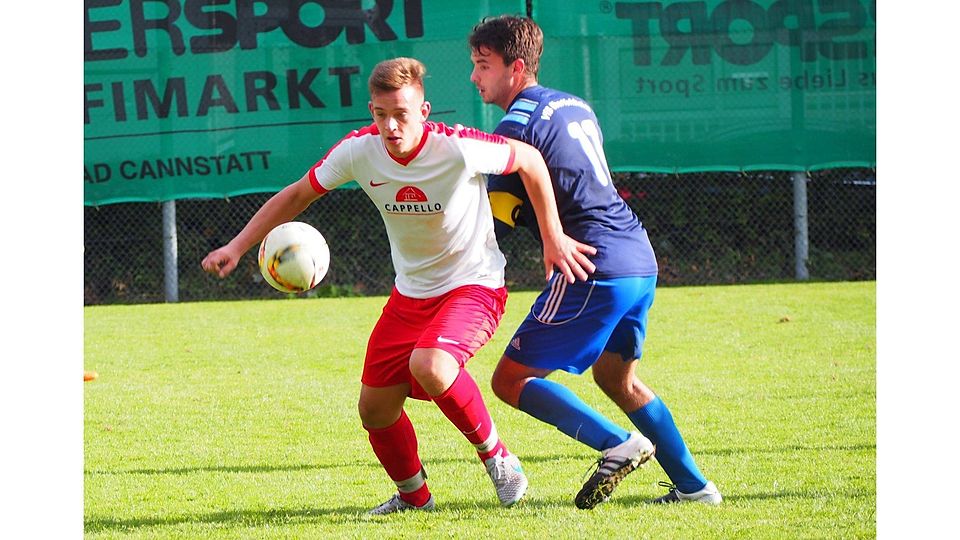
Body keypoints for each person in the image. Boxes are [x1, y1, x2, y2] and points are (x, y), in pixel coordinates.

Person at [202, 57, 597, 515]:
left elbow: (528, 159)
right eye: (380, 114)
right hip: (410, 295)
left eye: (402, 115)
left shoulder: (458, 147)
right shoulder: (358, 150)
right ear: (372, 111)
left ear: (424, 111)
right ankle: (415, 498)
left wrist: (552, 236)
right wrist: (236, 246)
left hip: (474, 286)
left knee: (430, 363)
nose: (390, 126)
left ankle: (499, 459)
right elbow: (297, 194)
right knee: (375, 409)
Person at [468, 16, 722, 508]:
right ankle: (695, 487)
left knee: (509, 380)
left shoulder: (515, 123)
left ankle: (617, 444)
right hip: (638, 258)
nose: (476, 77)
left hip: (592, 263)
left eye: (483, 65)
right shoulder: (575, 104)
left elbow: (501, 210)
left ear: (516, 68)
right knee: (616, 378)